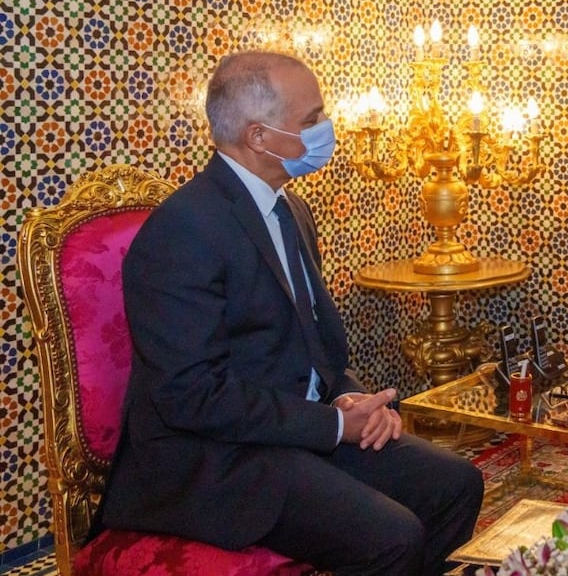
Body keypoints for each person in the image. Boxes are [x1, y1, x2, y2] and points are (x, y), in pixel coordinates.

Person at [99, 50, 484, 575]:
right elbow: (190, 396)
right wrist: (330, 425)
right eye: (312, 120)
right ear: (259, 137)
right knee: (393, 536)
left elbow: (312, 341)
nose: (326, 129)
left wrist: (346, 394)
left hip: (293, 429)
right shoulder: (183, 230)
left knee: (456, 483)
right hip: (215, 456)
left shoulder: (291, 208)